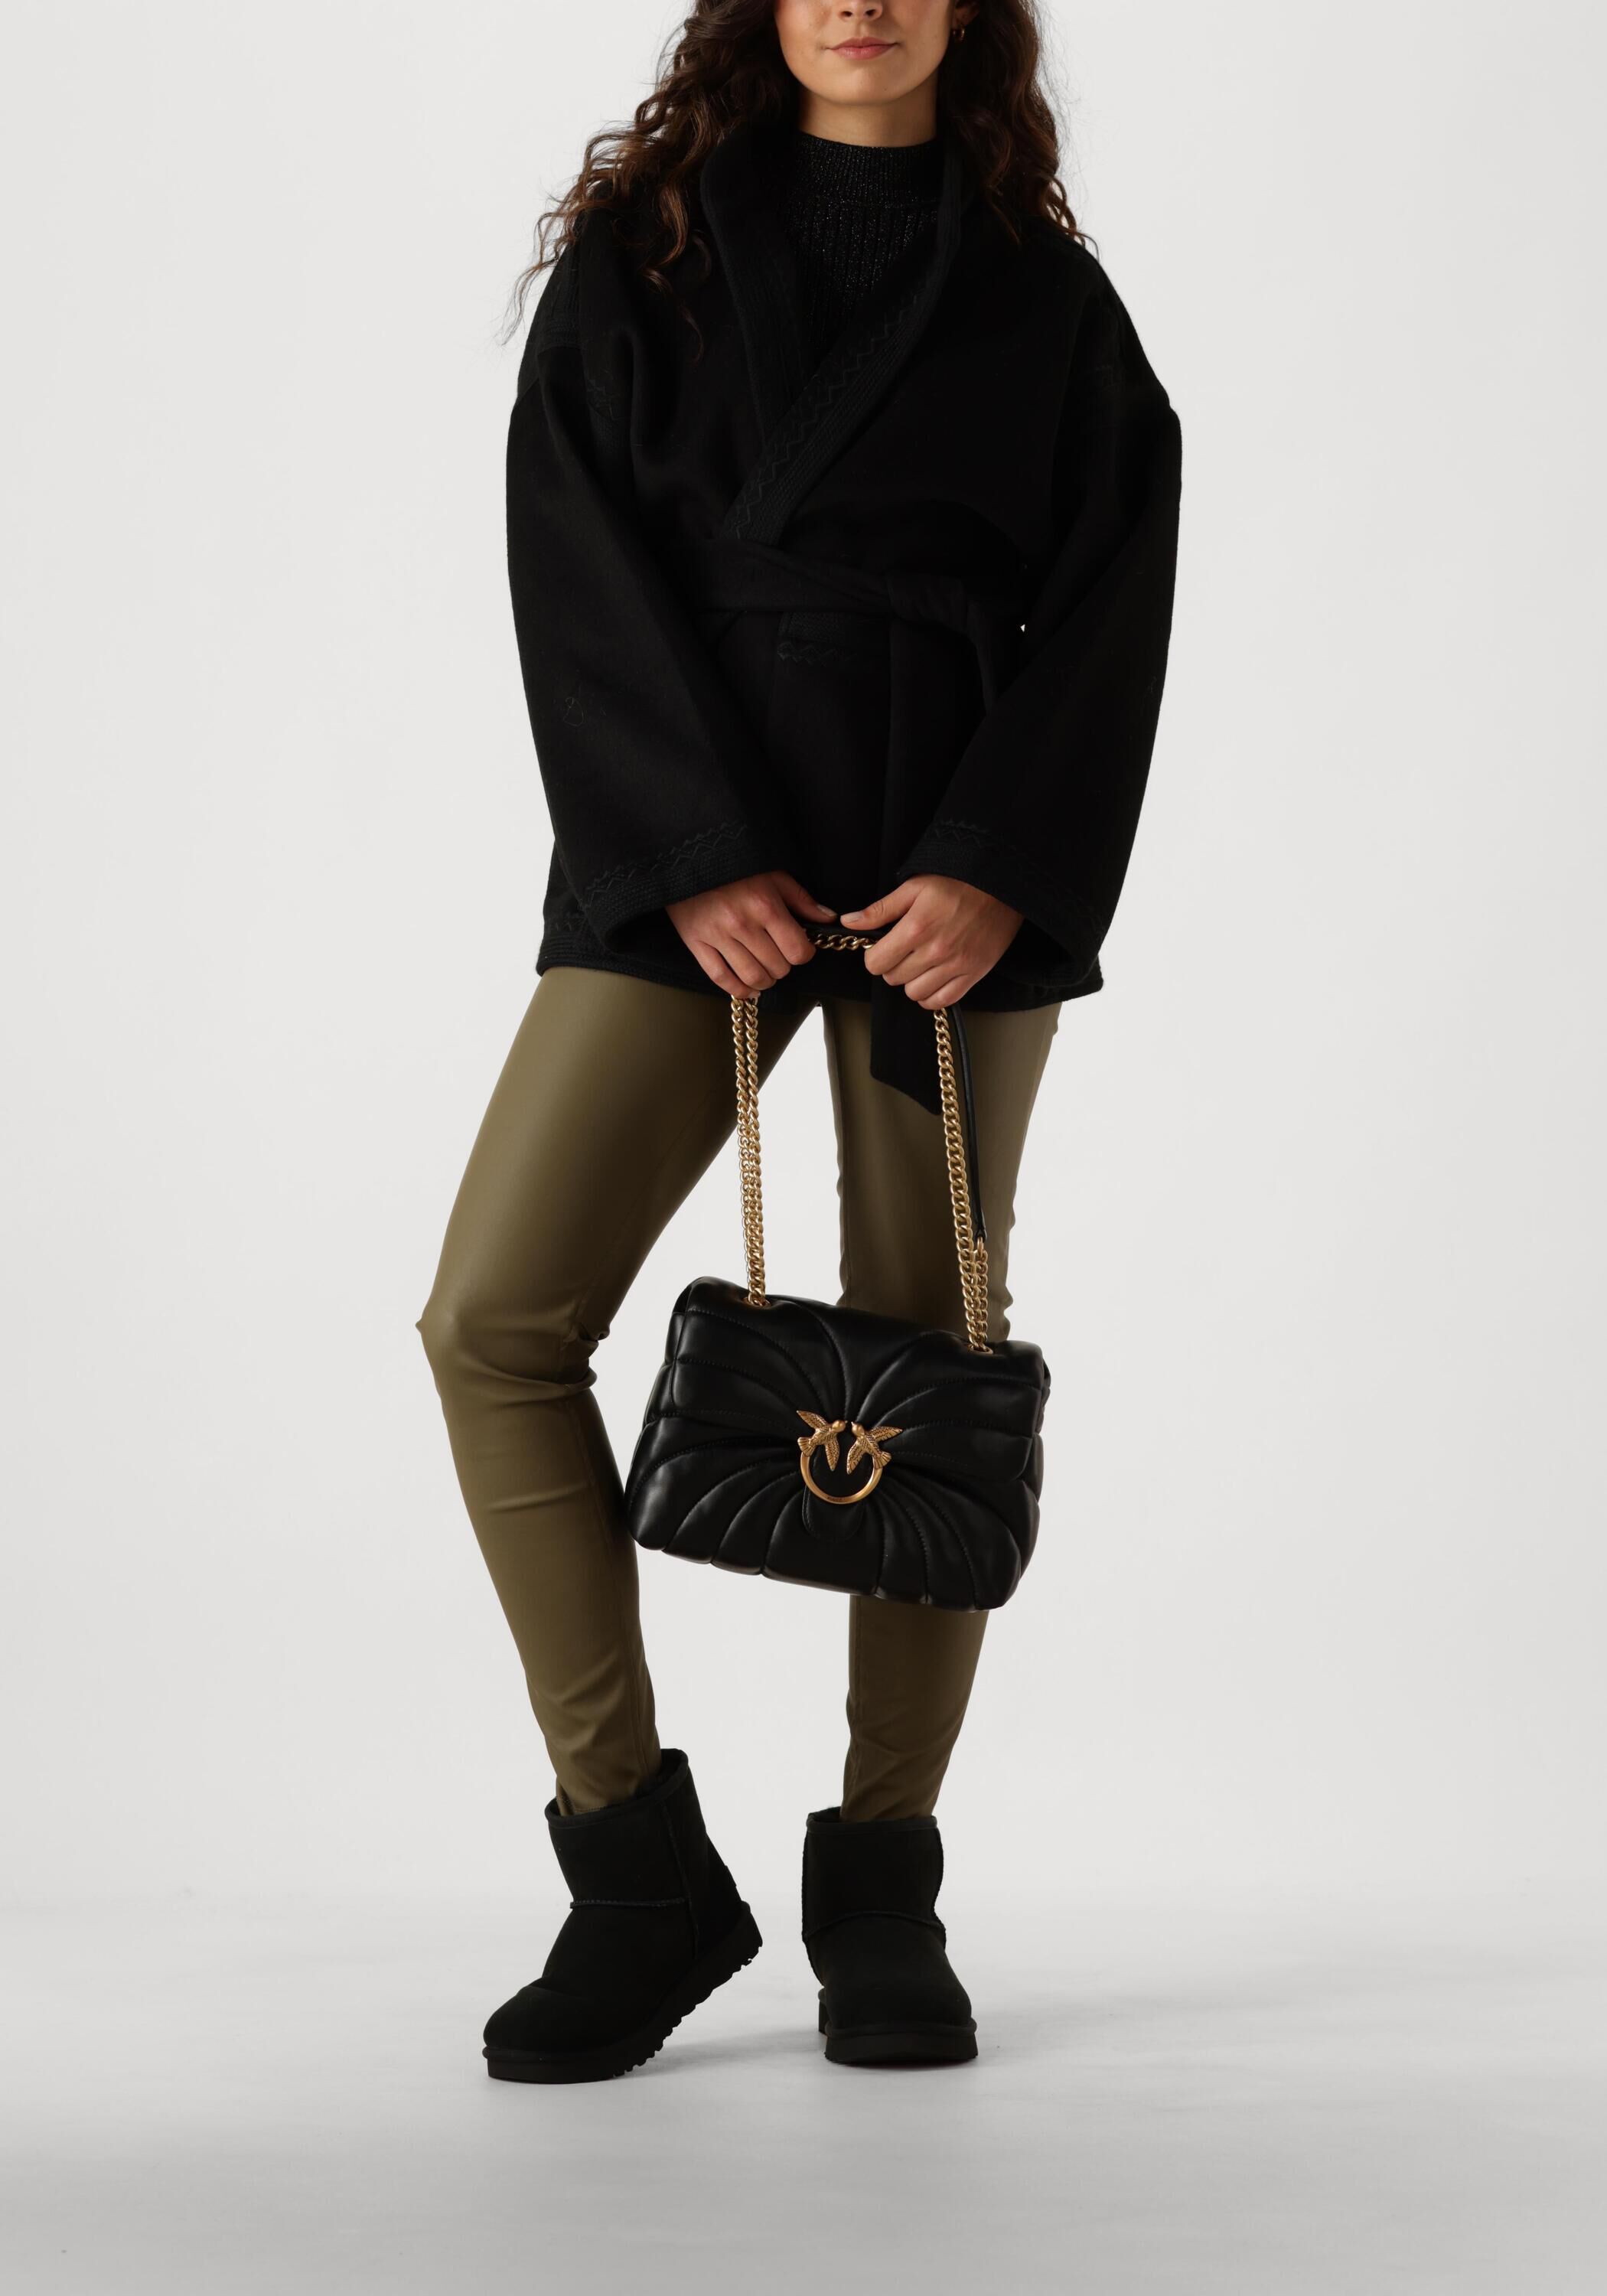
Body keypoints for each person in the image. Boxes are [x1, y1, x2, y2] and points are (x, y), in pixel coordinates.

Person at [417, 0, 1182, 2084]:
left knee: (930, 1365)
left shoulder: (1045, 298)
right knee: (493, 1318)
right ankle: (632, 1867)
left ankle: (884, 1878)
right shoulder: (648, 252)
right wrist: (685, 855)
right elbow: (570, 547)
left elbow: (1114, 593)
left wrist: (997, 867)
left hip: (951, 854)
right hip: (699, 836)